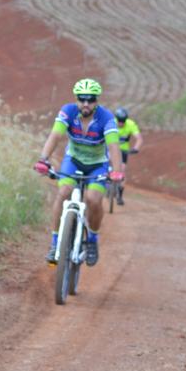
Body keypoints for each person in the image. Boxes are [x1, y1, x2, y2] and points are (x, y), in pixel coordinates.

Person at [33, 78, 124, 266]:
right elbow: (56, 135)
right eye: (82, 99)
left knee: (93, 199)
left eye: (90, 99)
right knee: (63, 193)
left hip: (98, 165)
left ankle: (92, 240)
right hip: (72, 161)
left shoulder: (106, 118)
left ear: (96, 101)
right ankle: (55, 243)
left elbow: (114, 146)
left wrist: (116, 171)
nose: (85, 103)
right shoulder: (68, 111)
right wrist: (43, 160)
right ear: (76, 99)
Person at [114, 107, 143, 205]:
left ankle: (120, 196)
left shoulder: (130, 124)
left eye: (123, 121)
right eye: (119, 121)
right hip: (110, 147)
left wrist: (136, 148)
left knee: (122, 170)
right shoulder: (111, 123)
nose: (121, 123)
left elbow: (139, 138)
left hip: (123, 150)